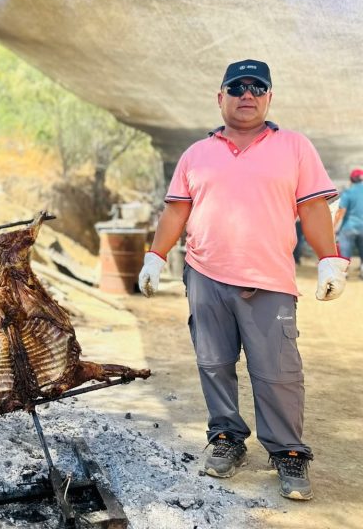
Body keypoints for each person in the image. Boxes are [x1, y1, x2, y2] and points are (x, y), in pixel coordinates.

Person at [137, 59, 348, 501]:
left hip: (269, 279)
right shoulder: (196, 154)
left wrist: (330, 259)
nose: (246, 94)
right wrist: (155, 257)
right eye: (236, 87)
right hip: (205, 275)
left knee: (277, 372)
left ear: (270, 97)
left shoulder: (293, 147)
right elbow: (177, 209)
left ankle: (287, 451)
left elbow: (312, 208)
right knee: (213, 364)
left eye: (257, 87)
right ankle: (227, 437)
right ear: (220, 98)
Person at [333, 168, 363, 277]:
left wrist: (334, 226)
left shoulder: (348, 192)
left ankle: (344, 272)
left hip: (349, 227)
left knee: (345, 248)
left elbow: (342, 211)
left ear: (351, 179)